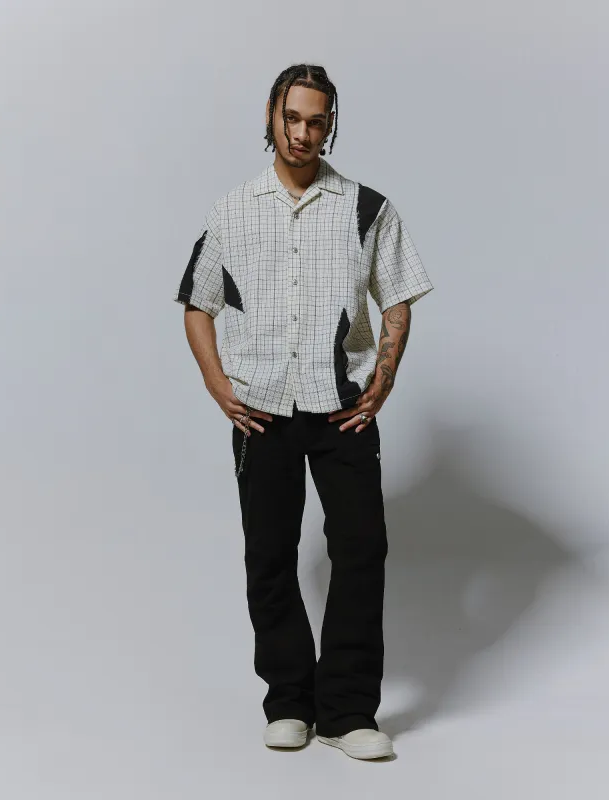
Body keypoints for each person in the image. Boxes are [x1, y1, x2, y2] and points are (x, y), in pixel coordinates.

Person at [175, 63, 433, 760]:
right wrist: (217, 383)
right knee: (270, 554)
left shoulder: (367, 208)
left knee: (361, 549)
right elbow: (198, 303)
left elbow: (398, 300)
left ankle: (348, 713)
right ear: (271, 114)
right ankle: (289, 701)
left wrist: (382, 381)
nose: (303, 133)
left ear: (330, 126)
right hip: (260, 410)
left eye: (317, 121)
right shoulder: (233, 209)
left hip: (341, 407)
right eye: (292, 118)